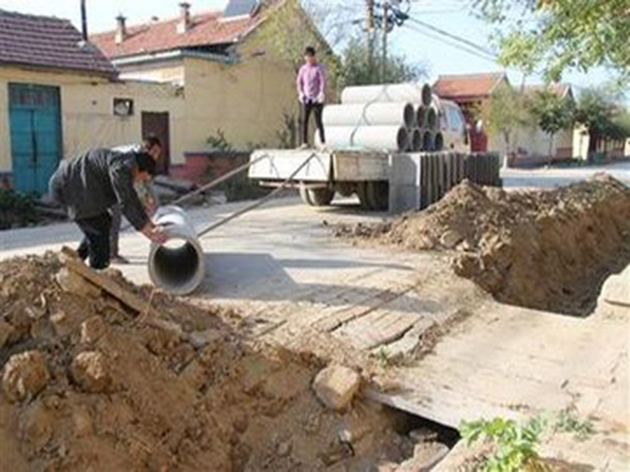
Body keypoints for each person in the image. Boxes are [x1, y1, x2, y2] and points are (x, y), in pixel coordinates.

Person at [49, 148, 168, 270]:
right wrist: (146, 230)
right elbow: (126, 202)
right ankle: (97, 272)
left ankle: (76, 261)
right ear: (140, 170)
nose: (140, 181)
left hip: (77, 187)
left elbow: (131, 197)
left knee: (103, 222)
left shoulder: (126, 163)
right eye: (142, 178)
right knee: (98, 232)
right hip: (67, 187)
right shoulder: (121, 168)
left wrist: (148, 223)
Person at [110, 136, 162, 263]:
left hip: (118, 178)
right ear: (146, 149)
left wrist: (154, 204)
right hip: (110, 181)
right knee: (115, 217)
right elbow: (133, 188)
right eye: (154, 152)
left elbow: (146, 182)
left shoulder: (144, 160)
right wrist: (145, 205)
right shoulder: (133, 158)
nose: (156, 156)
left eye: (158, 153)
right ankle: (111, 254)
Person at [296, 46, 326, 149]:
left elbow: (322, 81)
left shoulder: (318, 68)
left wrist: (321, 93)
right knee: (304, 120)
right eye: (307, 56)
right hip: (306, 98)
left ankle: (322, 142)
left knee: (318, 121)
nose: (309, 58)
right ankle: (304, 142)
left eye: (310, 56)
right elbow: (299, 82)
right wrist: (300, 93)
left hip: (317, 98)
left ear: (314, 56)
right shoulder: (303, 69)